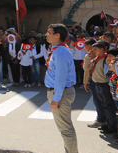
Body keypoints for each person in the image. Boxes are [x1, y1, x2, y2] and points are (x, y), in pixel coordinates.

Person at [45, 24, 78, 153]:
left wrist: (56, 98)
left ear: (57, 35)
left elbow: (61, 78)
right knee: (64, 127)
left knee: (65, 128)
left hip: (60, 93)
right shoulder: (57, 49)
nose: (46, 34)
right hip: (58, 92)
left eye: (49, 32)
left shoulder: (61, 52)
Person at [91, 40, 118, 135]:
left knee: (108, 105)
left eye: (96, 49)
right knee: (102, 104)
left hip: (104, 84)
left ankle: (112, 126)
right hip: (97, 83)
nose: (94, 51)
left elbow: (107, 73)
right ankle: (106, 123)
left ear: (102, 49)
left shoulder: (106, 59)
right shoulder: (96, 59)